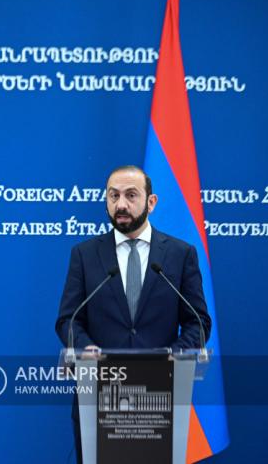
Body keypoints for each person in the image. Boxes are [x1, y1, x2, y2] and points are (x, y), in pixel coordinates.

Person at [55, 165, 211, 463]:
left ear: (151, 202)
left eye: (130, 195)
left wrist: (172, 354)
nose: (121, 204)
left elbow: (198, 321)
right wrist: (85, 348)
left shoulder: (180, 254)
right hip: (99, 395)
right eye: (113, 196)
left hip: (160, 395)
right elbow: (68, 319)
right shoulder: (84, 254)